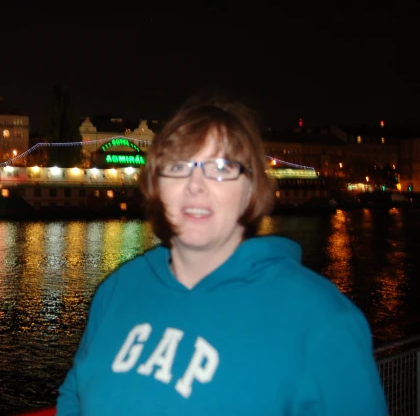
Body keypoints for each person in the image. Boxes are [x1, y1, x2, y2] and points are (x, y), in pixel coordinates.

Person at [55, 96, 387, 415]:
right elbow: (75, 396)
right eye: (178, 166)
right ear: (156, 187)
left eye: (220, 167)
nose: (195, 185)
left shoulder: (323, 321)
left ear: (251, 190)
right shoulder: (118, 290)